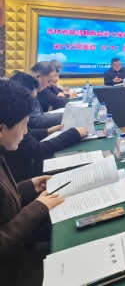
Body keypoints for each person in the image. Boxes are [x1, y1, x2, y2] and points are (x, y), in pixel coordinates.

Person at [0, 79, 65, 285]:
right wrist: (37, 208)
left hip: (21, 254)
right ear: (2, 129)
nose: (26, 132)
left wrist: (29, 186)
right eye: (23, 126)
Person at [6, 74, 88, 182]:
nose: (25, 131)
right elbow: (40, 150)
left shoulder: (13, 117)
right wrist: (74, 134)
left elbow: (28, 133)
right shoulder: (13, 116)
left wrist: (47, 131)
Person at [26, 62, 63, 128]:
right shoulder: (26, 91)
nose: (49, 85)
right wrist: (66, 115)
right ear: (37, 77)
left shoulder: (30, 86)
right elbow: (37, 121)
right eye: (48, 81)